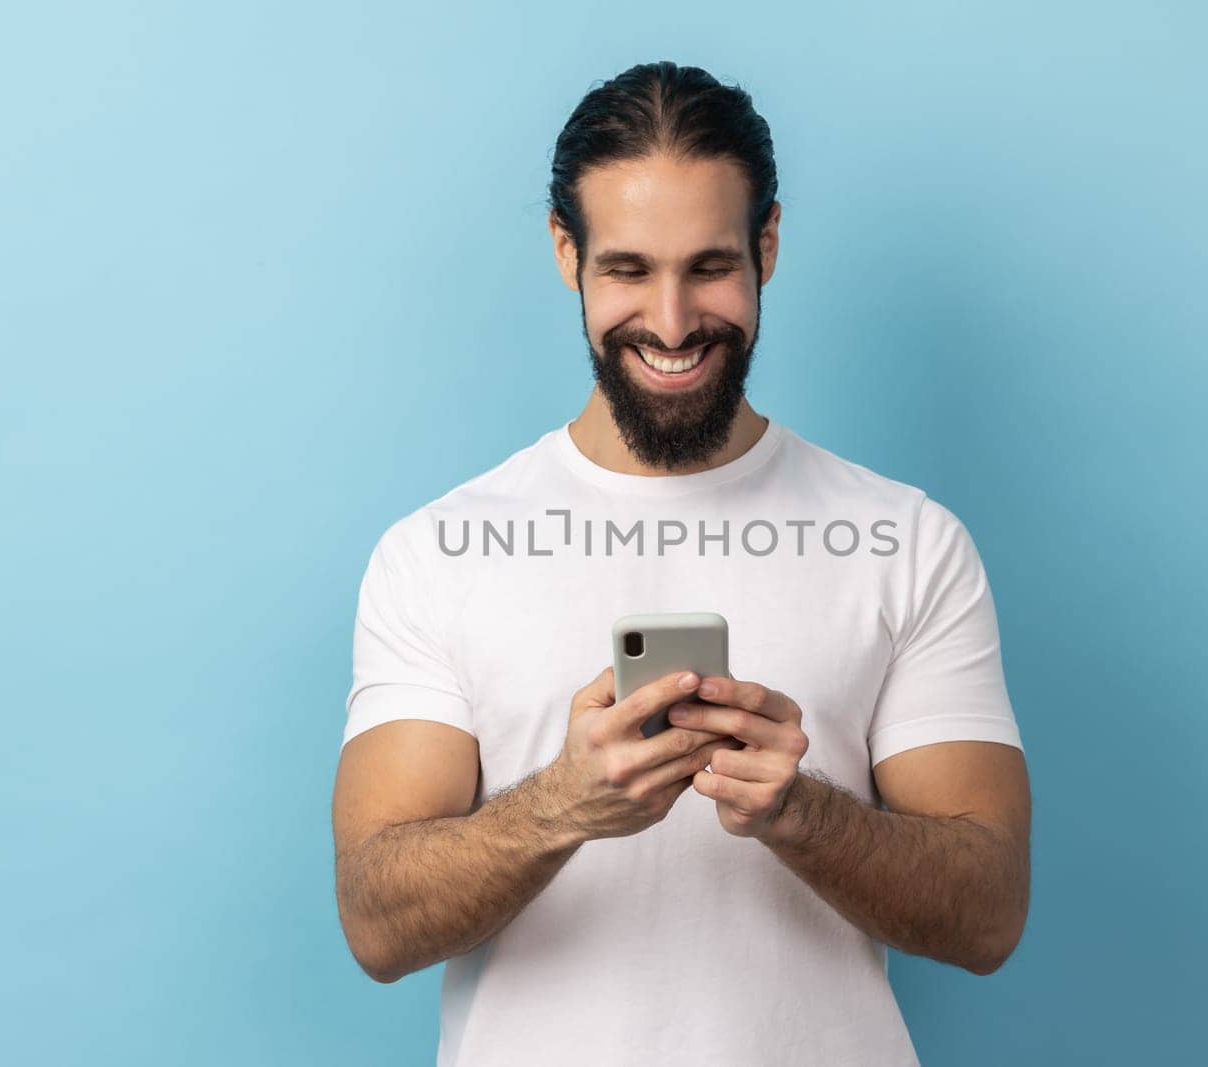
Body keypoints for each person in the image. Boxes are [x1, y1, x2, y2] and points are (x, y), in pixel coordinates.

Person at [331, 60, 1031, 1067]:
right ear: (565, 253)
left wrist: (803, 814)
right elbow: (375, 921)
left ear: (768, 247)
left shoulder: (907, 540)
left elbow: (988, 914)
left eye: (708, 266)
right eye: (627, 270)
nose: (669, 323)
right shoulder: (437, 552)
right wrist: (559, 804)